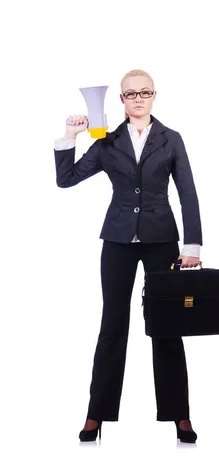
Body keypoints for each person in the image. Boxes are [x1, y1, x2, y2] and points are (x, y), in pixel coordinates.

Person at [54, 69, 202, 443]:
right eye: (130, 94)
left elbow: (187, 192)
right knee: (112, 326)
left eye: (144, 92)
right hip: (118, 241)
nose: (138, 98)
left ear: (155, 96)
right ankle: (96, 414)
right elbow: (66, 178)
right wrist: (70, 137)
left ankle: (179, 415)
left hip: (162, 241)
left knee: (167, 327)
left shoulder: (172, 139)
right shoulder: (107, 141)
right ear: (120, 99)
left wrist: (193, 246)